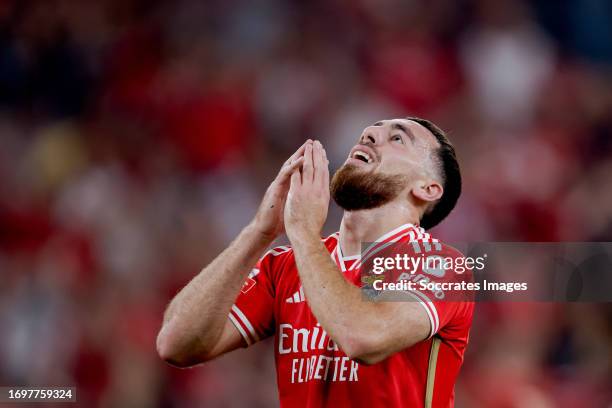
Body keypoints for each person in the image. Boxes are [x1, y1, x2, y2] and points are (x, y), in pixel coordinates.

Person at [156, 117, 474, 407]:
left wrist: (304, 233)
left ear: (427, 189)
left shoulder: (442, 265)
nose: (370, 135)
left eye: (397, 138)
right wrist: (260, 231)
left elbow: (363, 337)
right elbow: (176, 344)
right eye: (370, 132)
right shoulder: (287, 265)